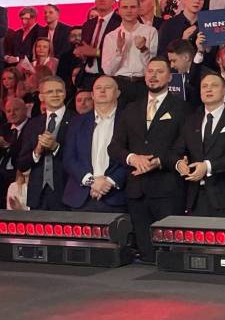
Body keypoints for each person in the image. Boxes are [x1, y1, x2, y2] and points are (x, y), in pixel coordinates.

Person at [108, 57, 188, 263]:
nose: (153, 76)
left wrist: (159, 161)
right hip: (137, 191)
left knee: (169, 256)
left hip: (167, 190)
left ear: (170, 77)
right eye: (150, 71)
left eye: (159, 72)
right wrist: (133, 158)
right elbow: (114, 147)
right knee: (146, 255)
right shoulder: (131, 108)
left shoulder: (183, 108)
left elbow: (183, 146)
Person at [177, 72, 225, 217]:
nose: (208, 89)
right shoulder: (191, 120)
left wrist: (208, 166)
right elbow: (177, 150)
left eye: (214, 86)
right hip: (195, 199)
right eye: (204, 86)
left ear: (224, 90)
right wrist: (179, 163)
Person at [61, 76, 128, 212]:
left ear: (118, 93)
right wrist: (92, 181)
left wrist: (109, 182)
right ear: (92, 94)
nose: (102, 91)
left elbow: (132, 156)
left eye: (108, 87)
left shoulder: (129, 120)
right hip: (80, 198)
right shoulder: (77, 122)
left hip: (116, 197)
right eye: (98, 88)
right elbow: (69, 159)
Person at [15, 76, 75, 210]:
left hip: (67, 194)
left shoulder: (77, 120)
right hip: (38, 197)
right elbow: (22, 164)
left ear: (65, 94)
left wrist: (56, 147)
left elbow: (83, 157)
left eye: (59, 91)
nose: (55, 94)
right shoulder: (33, 124)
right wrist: (37, 151)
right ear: (41, 97)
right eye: (49, 92)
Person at [100, 0, 159, 109]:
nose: (129, 11)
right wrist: (119, 50)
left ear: (138, 9)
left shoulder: (150, 32)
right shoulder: (111, 36)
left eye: (133, 7)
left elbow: (153, 66)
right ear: (119, 11)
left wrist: (143, 49)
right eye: (125, 7)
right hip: (119, 84)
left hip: (143, 84)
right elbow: (108, 70)